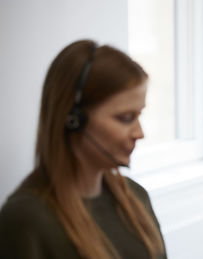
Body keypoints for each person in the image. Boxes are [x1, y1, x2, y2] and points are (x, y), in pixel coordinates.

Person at [0, 40, 166, 259]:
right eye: (125, 118)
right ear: (73, 119)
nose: (139, 133)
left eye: (139, 115)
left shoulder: (136, 197)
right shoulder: (26, 219)